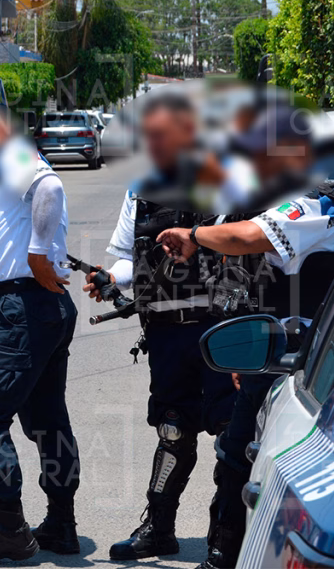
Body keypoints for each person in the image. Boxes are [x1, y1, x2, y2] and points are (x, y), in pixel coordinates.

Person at [157, 104, 334, 569]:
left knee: (252, 467)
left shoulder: (313, 204)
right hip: (278, 359)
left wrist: (194, 233)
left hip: (304, 371)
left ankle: (229, 559)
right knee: (235, 458)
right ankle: (223, 554)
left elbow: (251, 237)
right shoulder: (286, 201)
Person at [84, 92, 237, 561]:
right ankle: (159, 528)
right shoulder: (142, 190)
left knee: (234, 434)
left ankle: (227, 533)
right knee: (173, 430)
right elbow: (130, 259)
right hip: (167, 332)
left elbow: (249, 243)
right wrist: (110, 278)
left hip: (221, 328)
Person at [0, 103, 80, 564]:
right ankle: (61, 525)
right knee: (49, 421)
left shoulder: (14, 155)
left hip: (24, 309)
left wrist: (37, 252)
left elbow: (50, 187)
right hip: (44, 309)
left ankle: (9, 528)